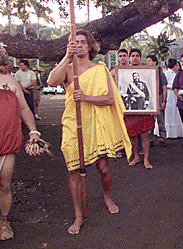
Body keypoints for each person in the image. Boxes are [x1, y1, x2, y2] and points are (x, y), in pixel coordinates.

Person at [47, 29, 132, 234]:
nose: (79, 45)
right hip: (73, 124)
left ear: (90, 46)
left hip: (96, 124)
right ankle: (78, 216)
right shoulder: (68, 69)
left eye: (83, 42)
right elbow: (50, 82)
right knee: (74, 171)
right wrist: (67, 56)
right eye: (74, 42)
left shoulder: (100, 70)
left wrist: (86, 98)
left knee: (103, 168)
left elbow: (110, 100)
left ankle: (107, 195)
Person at [0, 54, 41, 240]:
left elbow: (24, 108)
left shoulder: (9, 80)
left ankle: (3, 221)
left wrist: (33, 131)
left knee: (4, 184)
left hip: (6, 139)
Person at [124, 48, 155, 169]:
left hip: (143, 109)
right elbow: (127, 95)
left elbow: (147, 94)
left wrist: (148, 104)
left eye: (137, 55)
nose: (135, 57)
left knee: (144, 134)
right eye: (133, 55)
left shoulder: (144, 81)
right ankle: (136, 157)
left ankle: (146, 159)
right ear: (129, 58)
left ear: (140, 58)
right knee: (132, 134)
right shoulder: (128, 83)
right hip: (132, 109)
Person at [146, 55, 168, 147]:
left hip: (158, 97)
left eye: (150, 61)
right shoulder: (145, 73)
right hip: (149, 97)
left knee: (161, 120)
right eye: (147, 61)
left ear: (155, 62)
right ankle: (150, 139)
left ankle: (163, 139)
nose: (148, 63)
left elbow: (164, 87)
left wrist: (164, 101)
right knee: (150, 120)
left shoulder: (160, 73)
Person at [111, 48, 129, 158]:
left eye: (124, 56)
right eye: (120, 56)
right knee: (119, 126)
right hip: (118, 101)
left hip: (130, 101)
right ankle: (120, 149)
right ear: (118, 58)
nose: (122, 58)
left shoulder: (132, 70)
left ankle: (137, 148)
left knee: (132, 125)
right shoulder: (113, 71)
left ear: (127, 57)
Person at [164, 58, 183, 138]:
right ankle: (169, 132)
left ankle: (177, 132)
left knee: (176, 113)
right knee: (169, 113)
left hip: (176, 94)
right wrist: (172, 86)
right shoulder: (167, 73)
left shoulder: (177, 74)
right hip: (169, 94)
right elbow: (165, 85)